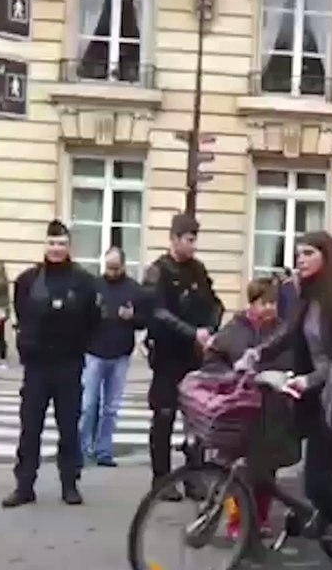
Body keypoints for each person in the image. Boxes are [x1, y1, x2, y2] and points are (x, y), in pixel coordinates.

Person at [241, 231, 332, 569]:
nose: (301, 259)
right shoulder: (307, 295)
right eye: (298, 253)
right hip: (317, 401)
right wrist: (256, 353)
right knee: (314, 486)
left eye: (308, 252)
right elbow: (288, 333)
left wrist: (309, 380)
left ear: (326, 256)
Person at [4, 220, 102, 507]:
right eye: (51, 243)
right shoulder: (27, 280)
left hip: (68, 365)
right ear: (44, 245)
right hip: (36, 365)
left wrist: (79, 346)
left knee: (69, 427)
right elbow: (22, 315)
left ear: (69, 247)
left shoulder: (84, 282)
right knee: (30, 427)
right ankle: (24, 486)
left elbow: (93, 322)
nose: (56, 249)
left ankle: (70, 484)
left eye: (61, 243)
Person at [143, 213, 223, 500]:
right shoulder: (158, 271)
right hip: (167, 356)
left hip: (194, 357)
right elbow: (157, 313)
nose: (192, 246)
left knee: (196, 419)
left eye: (194, 240)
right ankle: (162, 479)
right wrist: (192, 332)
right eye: (188, 240)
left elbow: (215, 304)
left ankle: (194, 475)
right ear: (174, 239)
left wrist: (210, 330)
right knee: (164, 418)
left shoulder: (197, 270)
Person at [203, 278, 290, 540]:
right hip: (239, 411)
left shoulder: (282, 331)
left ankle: (261, 519)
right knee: (234, 473)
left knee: (266, 471)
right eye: (264, 303)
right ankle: (235, 519)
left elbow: (291, 360)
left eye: (274, 303)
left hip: (271, 411)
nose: (269, 309)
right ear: (252, 303)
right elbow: (212, 361)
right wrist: (229, 376)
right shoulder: (234, 329)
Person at [80, 247, 145, 467]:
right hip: (94, 351)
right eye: (109, 267)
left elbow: (145, 319)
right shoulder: (94, 286)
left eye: (116, 268)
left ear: (124, 266)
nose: (112, 272)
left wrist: (132, 317)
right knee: (88, 404)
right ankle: (83, 447)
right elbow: (82, 315)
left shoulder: (134, 289)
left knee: (111, 408)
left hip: (120, 353)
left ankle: (104, 450)